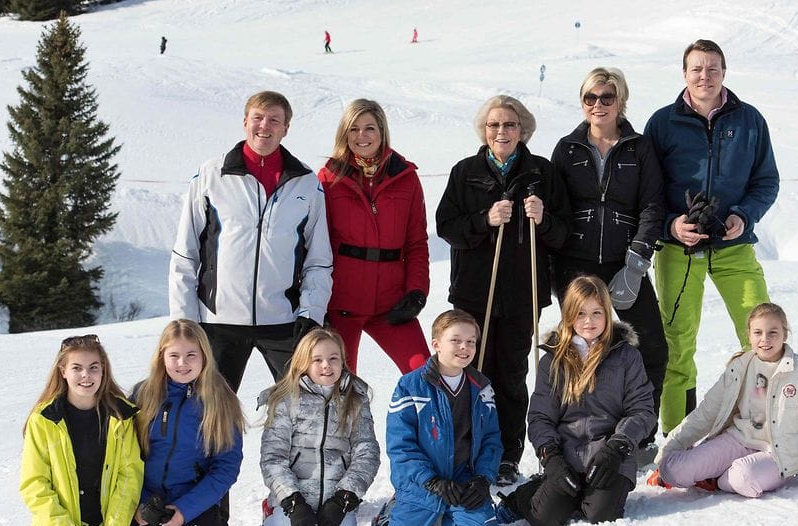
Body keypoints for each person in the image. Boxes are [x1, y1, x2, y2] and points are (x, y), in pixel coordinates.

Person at [644, 39, 779, 434]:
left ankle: (762, 428)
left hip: (734, 248)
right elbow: (647, 189)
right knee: (677, 343)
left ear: (724, 71)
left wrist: (743, 215)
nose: (705, 76)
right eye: (697, 69)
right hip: (679, 251)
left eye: (713, 68)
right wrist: (672, 224)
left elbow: (766, 181)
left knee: (762, 334)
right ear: (684, 73)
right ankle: (678, 436)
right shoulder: (662, 123)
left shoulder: (749, 120)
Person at [435, 94, 571, 486]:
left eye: (509, 124)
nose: (501, 131)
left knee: (511, 376)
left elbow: (563, 233)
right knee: (472, 371)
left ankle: (508, 456)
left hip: (522, 292)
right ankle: (469, 451)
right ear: (484, 130)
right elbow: (447, 227)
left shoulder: (541, 172)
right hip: (474, 293)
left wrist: (544, 219)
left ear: (522, 130)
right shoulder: (465, 172)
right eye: (494, 125)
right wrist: (485, 219)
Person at [168, 90, 333, 393]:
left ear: (286, 128)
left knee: (305, 402)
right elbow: (185, 253)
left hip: (283, 320)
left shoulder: (306, 182)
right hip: (218, 321)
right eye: (258, 118)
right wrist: (184, 320)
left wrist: (311, 314)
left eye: (274, 120)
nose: (264, 126)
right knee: (211, 409)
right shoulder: (211, 175)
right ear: (245, 122)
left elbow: (319, 259)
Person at [550, 66, 667, 453]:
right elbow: (556, 209)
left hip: (623, 261)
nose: (598, 104)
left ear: (621, 101)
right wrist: (554, 271)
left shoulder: (639, 148)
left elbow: (652, 206)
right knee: (577, 350)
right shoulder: (568, 149)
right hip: (576, 264)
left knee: (651, 346)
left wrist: (636, 262)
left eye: (607, 97)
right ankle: (572, 435)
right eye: (590, 97)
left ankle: (640, 435)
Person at [496, 276, 654, 526]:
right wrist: (551, 458)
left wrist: (617, 448)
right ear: (569, 315)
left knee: (601, 514)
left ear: (607, 313)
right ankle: (523, 498)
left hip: (610, 456)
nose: (589, 321)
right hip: (566, 455)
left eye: (596, 312)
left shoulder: (626, 356)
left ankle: (581, 495)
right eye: (580, 313)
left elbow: (642, 409)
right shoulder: (553, 360)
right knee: (545, 518)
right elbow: (540, 417)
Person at [647, 303, 798, 497]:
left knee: (744, 478)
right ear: (749, 335)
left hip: (778, 454)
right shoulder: (739, 367)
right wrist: (668, 451)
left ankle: (718, 478)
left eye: (773, 333)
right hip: (737, 440)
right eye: (758, 333)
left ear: (785, 334)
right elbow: (706, 413)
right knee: (673, 469)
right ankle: (713, 474)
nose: (765, 339)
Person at [371, 310, 502, 526]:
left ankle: (441, 520)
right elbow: (401, 446)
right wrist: (431, 480)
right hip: (422, 484)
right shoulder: (410, 386)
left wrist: (482, 478)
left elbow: (491, 439)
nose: (464, 347)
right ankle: (386, 521)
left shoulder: (481, 386)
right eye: (456, 340)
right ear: (436, 344)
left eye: (471, 341)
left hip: (461, 481)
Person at [318, 98, 430, 375]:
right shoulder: (329, 178)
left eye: (369, 128)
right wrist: (316, 300)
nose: (362, 136)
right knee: (339, 385)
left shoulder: (406, 178)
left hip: (392, 304)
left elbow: (416, 243)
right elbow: (317, 244)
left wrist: (416, 292)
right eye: (354, 129)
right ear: (345, 134)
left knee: (426, 375)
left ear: (382, 132)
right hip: (342, 304)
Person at [258, 327, 380, 526]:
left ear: (343, 360)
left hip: (335, 502)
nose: (327, 365)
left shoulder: (355, 398)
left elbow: (367, 452)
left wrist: (343, 499)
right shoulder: (286, 399)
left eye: (333, 358)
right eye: (317, 359)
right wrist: (292, 502)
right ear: (304, 362)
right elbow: (273, 459)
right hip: (294, 502)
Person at [128, 320, 246, 526]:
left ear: (204, 355)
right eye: (174, 355)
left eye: (191, 355)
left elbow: (226, 467)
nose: (182, 363)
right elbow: (123, 458)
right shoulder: (142, 395)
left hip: (196, 505)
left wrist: (185, 509)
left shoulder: (221, 400)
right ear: (162, 357)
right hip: (147, 508)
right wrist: (140, 505)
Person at [21, 335, 143, 526]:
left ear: (103, 370)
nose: (86, 375)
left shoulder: (121, 417)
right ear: (63, 371)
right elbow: (35, 484)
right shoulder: (44, 419)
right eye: (77, 368)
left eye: (93, 368)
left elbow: (129, 480)